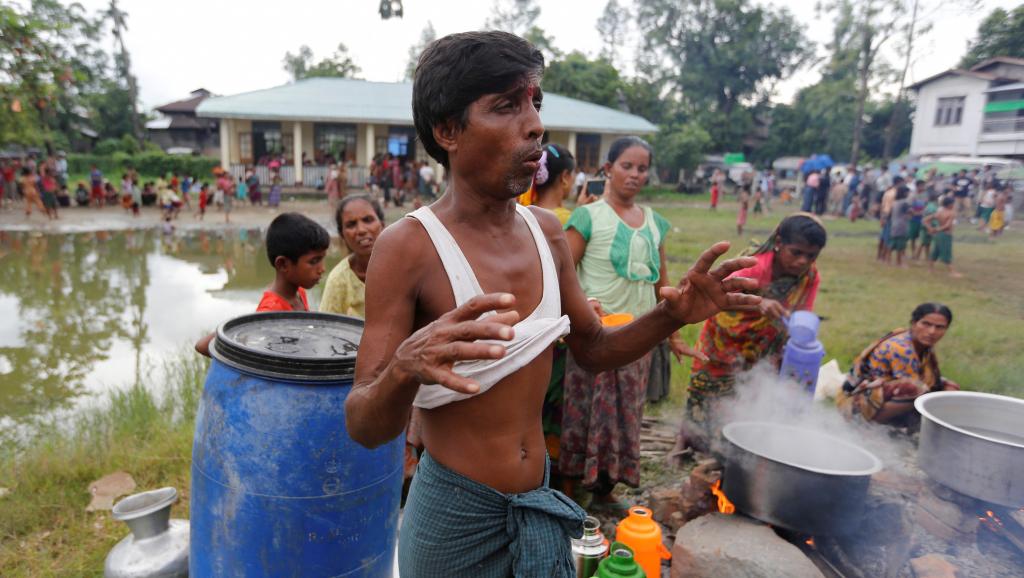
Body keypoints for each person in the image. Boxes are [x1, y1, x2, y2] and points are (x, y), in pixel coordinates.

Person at [344, 31, 760, 578]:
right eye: (505, 106)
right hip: (454, 517)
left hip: (537, 498)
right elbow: (362, 422)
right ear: (447, 130)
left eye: (534, 102)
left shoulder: (546, 231)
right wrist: (404, 369)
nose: (535, 122)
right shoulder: (409, 246)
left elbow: (593, 348)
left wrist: (669, 316)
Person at [559, 137, 701, 508]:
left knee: (624, 416)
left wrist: (672, 336)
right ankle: (571, 491)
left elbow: (662, 288)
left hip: (638, 340)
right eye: (627, 166)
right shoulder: (587, 217)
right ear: (608, 169)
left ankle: (605, 492)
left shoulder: (655, 223)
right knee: (584, 412)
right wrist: (584, 304)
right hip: (595, 337)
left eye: (641, 168)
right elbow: (560, 273)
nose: (635, 175)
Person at [676, 213, 827, 453]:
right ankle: (684, 442)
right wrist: (759, 304)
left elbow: (802, 311)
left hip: (765, 342)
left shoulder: (810, 276)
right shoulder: (754, 265)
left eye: (811, 255)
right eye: (796, 252)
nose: (802, 261)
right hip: (725, 337)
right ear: (779, 242)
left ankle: (736, 443)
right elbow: (718, 295)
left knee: (752, 390)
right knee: (705, 388)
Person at [837, 303, 960, 428]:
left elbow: (932, 379)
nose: (932, 332)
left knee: (949, 388)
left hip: (881, 392)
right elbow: (916, 386)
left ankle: (911, 425)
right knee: (916, 389)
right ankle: (869, 426)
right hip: (856, 401)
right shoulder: (901, 348)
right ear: (913, 323)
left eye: (939, 327)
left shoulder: (922, 345)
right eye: (926, 324)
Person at [320, 195, 385, 317]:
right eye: (351, 224)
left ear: (382, 224)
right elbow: (326, 328)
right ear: (342, 234)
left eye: (368, 220)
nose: (361, 230)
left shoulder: (405, 267)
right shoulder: (338, 281)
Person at [531, 144, 575, 225]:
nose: (573, 180)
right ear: (564, 177)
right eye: (572, 174)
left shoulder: (524, 214)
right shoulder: (568, 221)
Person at [926, 196, 959, 277]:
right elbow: (947, 225)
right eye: (953, 204)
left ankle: (930, 269)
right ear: (949, 204)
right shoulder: (951, 213)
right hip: (946, 234)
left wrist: (930, 228)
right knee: (947, 253)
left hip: (938, 235)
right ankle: (952, 272)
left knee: (935, 252)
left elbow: (925, 220)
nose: (954, 205)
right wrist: (936, 229)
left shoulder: (940, 212)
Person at [887, 185, 911, 267]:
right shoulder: (904, 203)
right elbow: (909, 212)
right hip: (902, 226)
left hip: (894, 225)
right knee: (900, 246)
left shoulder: (895, 202)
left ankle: (888, 260)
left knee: (892, 244)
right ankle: (899, 262)